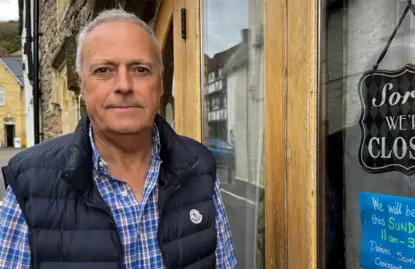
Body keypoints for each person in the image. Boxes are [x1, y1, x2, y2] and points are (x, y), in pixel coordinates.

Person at [0, 9, 237, 269]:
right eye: (103, 70)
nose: (123, 85)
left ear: (160, 83)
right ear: (81, 84)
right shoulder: (29, 185)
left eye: (140, 69)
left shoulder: (198, 166)